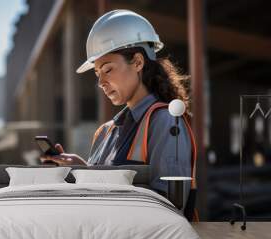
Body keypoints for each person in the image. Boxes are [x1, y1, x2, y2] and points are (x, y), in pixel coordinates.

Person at [40, 10, 197, 219]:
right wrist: (79, 170)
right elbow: (100, 193)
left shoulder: (165, 122)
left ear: (138, 62)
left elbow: (170, 206)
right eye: (97, 73)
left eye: (108, 69)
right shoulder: (106, 132)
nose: (101, 82)